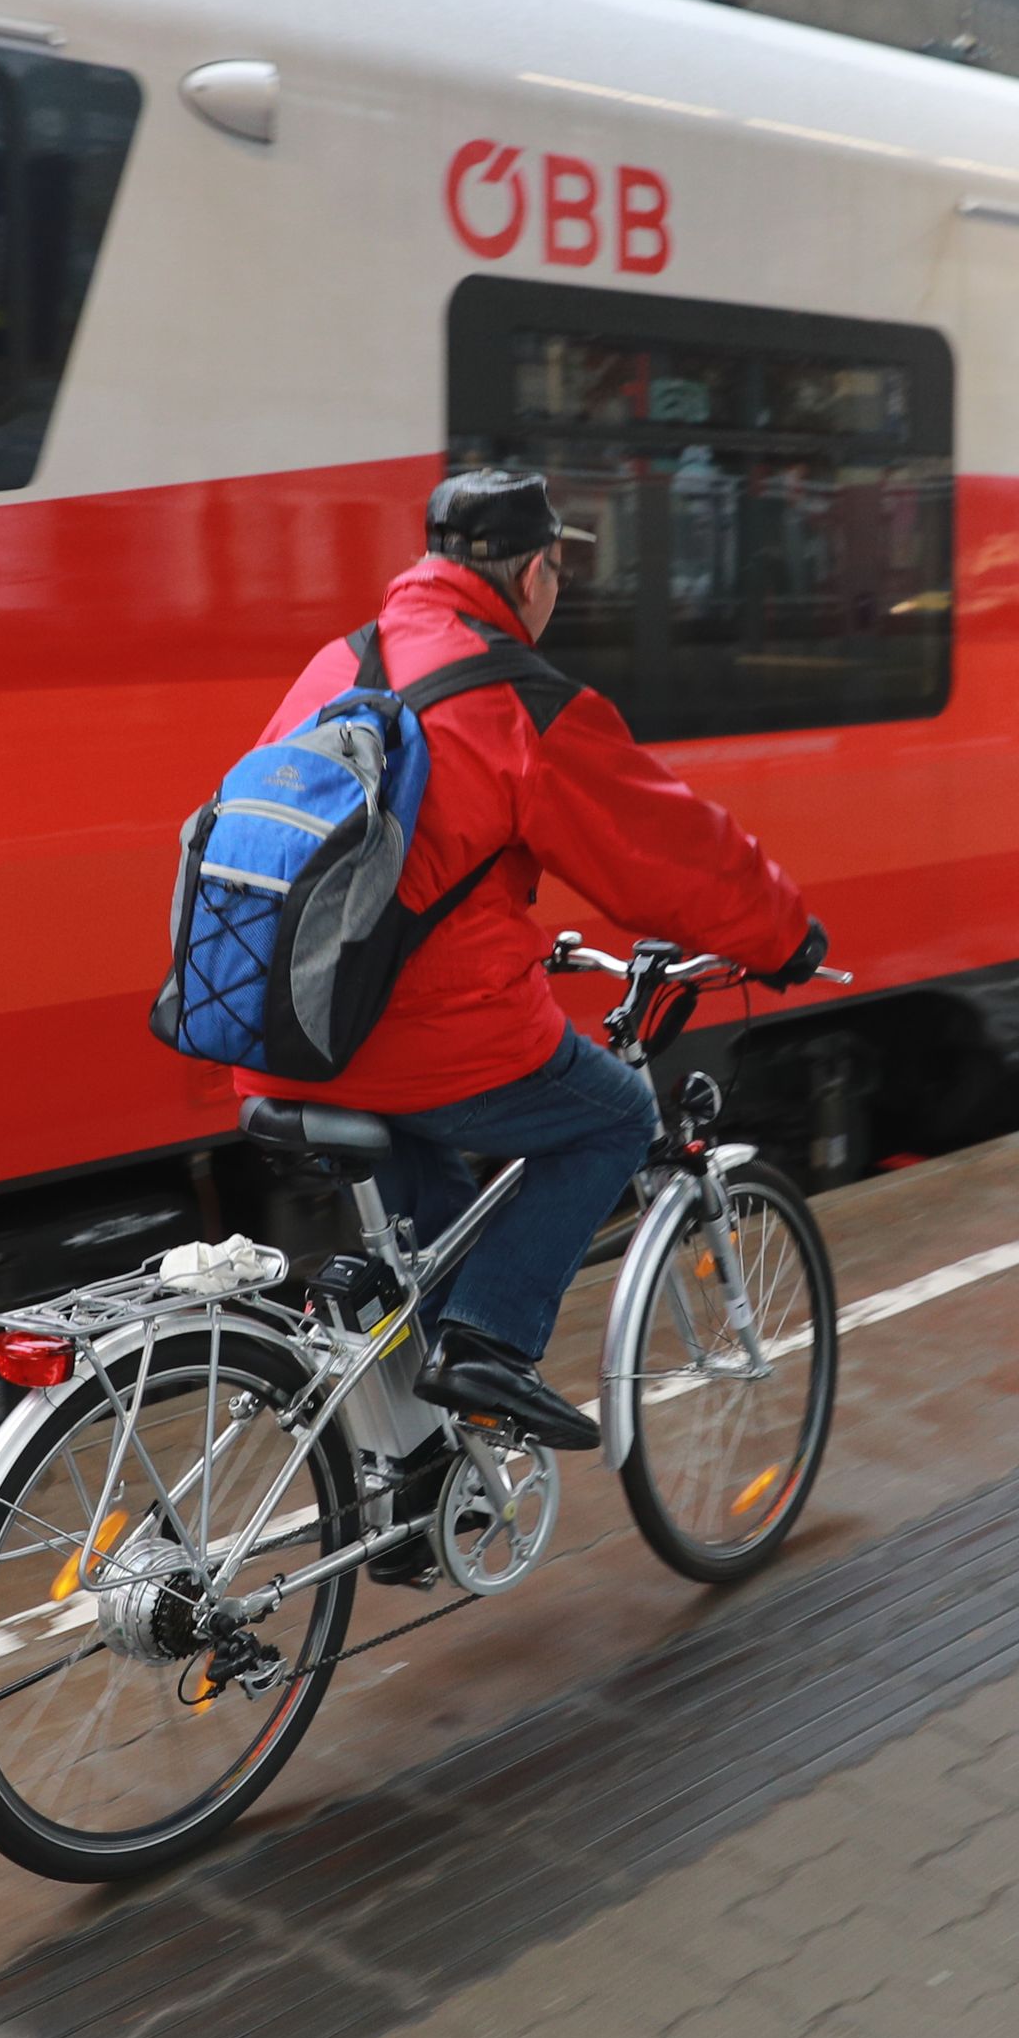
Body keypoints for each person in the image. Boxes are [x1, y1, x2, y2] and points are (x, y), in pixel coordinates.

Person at [236, 467, 826, 1453]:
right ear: (533, 571)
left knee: (435, 1222)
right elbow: (666, 854)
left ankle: (419, 1469)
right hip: (411, 1040)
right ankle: (490, 1348)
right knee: (614, 1115)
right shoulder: (510, 696)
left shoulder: (338, 663)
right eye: (559, 572)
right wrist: (784, 939)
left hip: (280, 1027)